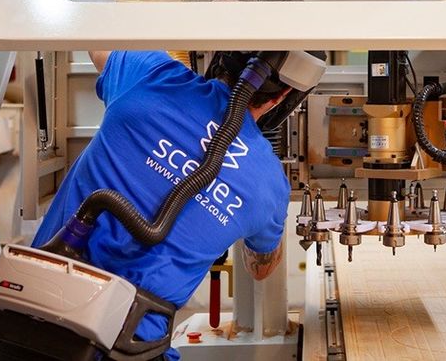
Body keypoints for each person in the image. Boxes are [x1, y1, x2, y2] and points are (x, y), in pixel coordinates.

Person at [31, 50, 298, 360]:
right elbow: (261, 268)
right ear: (285, 96)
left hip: (22, 322)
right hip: (127, 349)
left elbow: (98, 38)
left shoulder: (152, 74)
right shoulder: (269, 184)